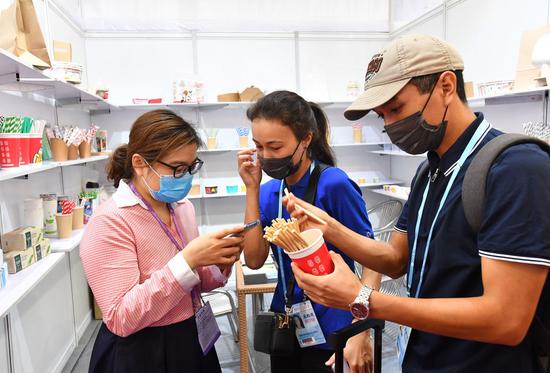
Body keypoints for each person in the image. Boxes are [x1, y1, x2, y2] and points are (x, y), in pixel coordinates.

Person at [284, 34, 550, 372]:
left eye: (396, 108)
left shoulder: (516, 168)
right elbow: (396, 259)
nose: (391, 125)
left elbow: (506, 320)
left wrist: (364, 300)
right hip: (424, 356)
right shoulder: (430, 170)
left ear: (446, 86)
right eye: (383, 116)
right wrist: (330, 228)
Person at [80, 110, 245, 373]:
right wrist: (188, 259)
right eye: (177, 168)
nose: (186, 176)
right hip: (141, 349)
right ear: (140, 163)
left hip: (191, 336)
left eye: (191, 167)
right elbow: (121, 316)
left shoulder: (181, 207)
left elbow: (195, 282)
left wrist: (219, 261)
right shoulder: (110, 222)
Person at [237, 90, 379, 373]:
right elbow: (253, 260)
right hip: (287, 326)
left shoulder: (333, 184)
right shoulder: (268, 193)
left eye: (275, 147)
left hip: (336, 328)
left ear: (305, 139)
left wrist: (361, 328)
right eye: (258, 146)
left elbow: (373, 260)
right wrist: (251, 189)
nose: (265, 157)